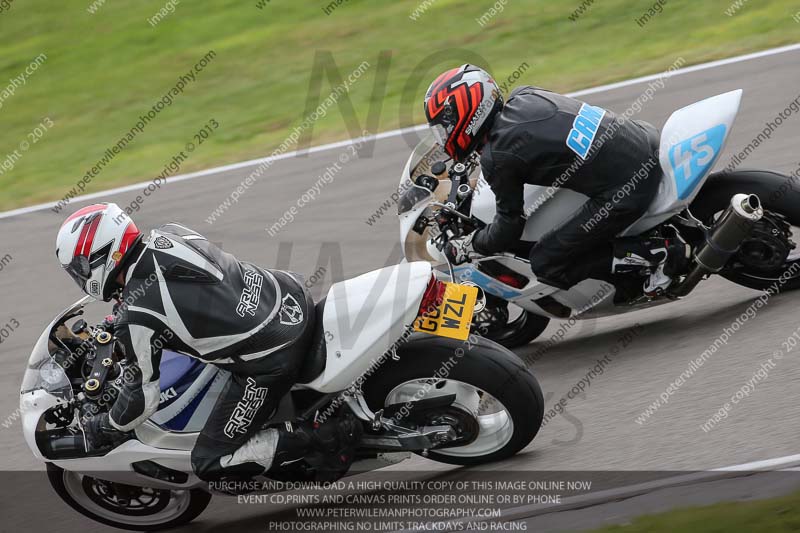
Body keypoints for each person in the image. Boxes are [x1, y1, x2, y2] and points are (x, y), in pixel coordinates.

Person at [56, 203, 360, 481]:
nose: (80, 276)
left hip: (274, 355)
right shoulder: (170, 233)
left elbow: (141, 399)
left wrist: (107, 425)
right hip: (289, 296)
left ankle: (325, 435)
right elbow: (188, 296)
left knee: (210, 461)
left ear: (100, 256)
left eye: (80, 268)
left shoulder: (135, 316)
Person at [423, 64, 688, 297]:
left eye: (445, 126)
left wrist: (470, 244)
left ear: (467, 115)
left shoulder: (498, 157)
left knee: (546, 261)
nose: (443, 136)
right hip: (642, 138)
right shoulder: (524, 95)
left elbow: (509, 226)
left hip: (629, 185)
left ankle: (659, 253)